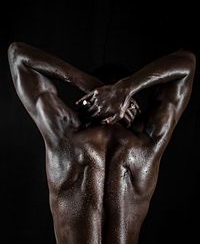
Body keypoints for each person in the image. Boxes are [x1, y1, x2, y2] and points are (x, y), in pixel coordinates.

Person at [8, 42, 196, 244]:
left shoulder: (63, 134)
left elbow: (18, 54)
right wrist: (125, 90)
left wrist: (92, 87)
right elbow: (187, 63)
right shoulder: (147, 142)